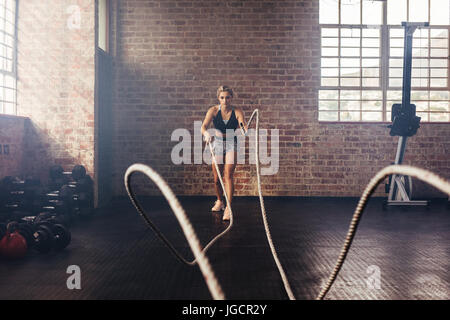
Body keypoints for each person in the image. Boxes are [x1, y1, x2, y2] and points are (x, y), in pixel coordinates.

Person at [201, 86, 247, 221]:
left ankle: (228, 208)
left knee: (228, 175)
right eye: (222, 97)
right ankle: (220, 201)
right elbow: (203, 126)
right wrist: (206, 134)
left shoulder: (237, 111)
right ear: (218, 98)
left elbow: (242, 124)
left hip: (232, 143)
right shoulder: (213, 110)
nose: (225, 100)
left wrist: (245, 129)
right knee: (217, 178)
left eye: (228, 97)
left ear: (231, 98)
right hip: (218, 144)